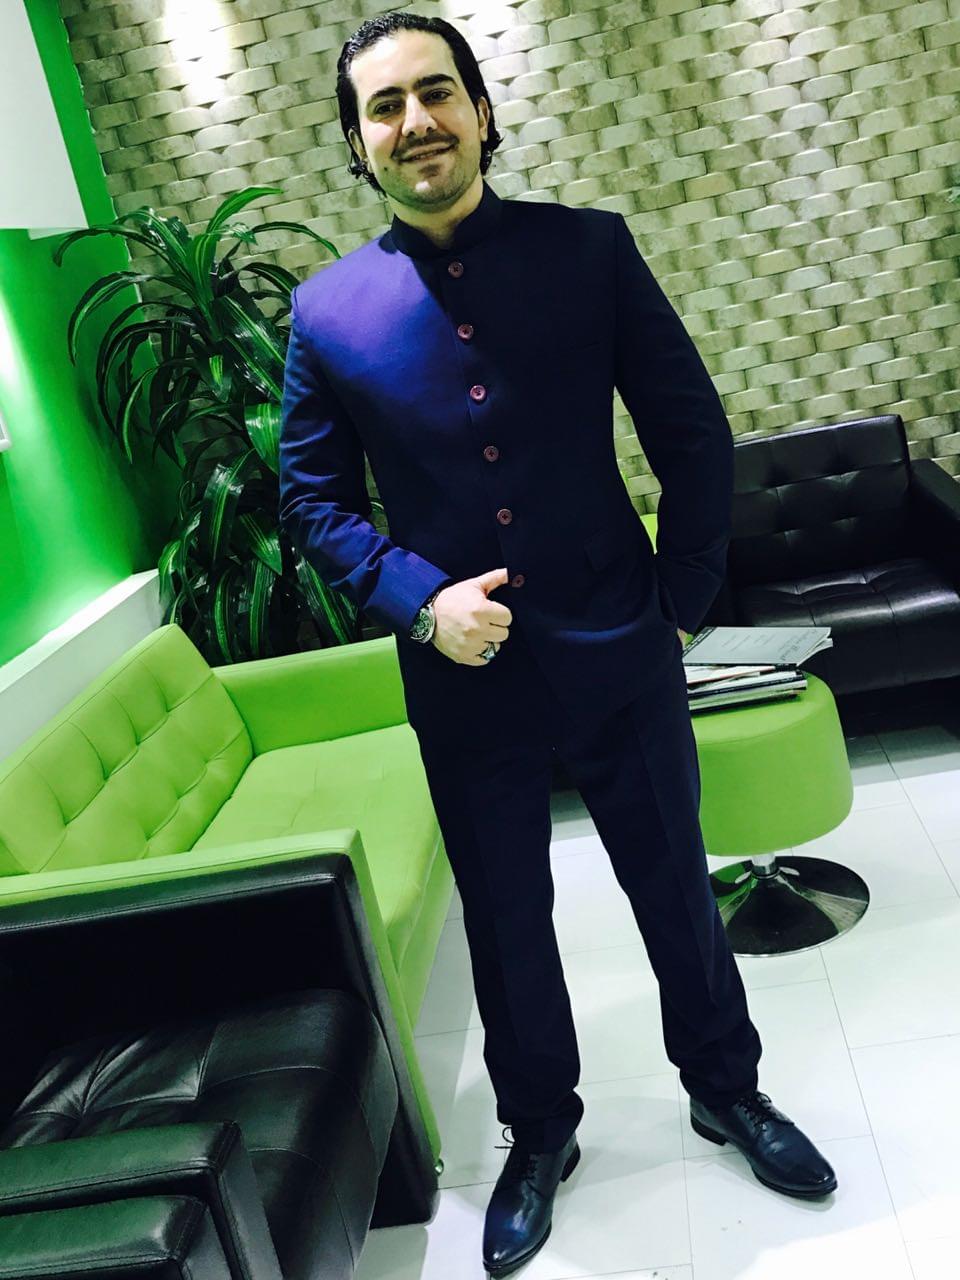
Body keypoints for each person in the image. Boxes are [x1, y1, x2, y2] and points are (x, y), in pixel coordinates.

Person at [278, 13, 838, 1276]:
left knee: (675, 884)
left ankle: (727, 1086)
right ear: (358, 143)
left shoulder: (590, 250)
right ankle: (541, 1132)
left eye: (437, 93)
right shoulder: (327, 312)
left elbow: (691, 428)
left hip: (619, 640)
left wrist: (683, 595)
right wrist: (419, 598)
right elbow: (310, 499)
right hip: (463, 675)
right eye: (384, 107)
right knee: (507, 919)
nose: (415, 121)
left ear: (480, 111)